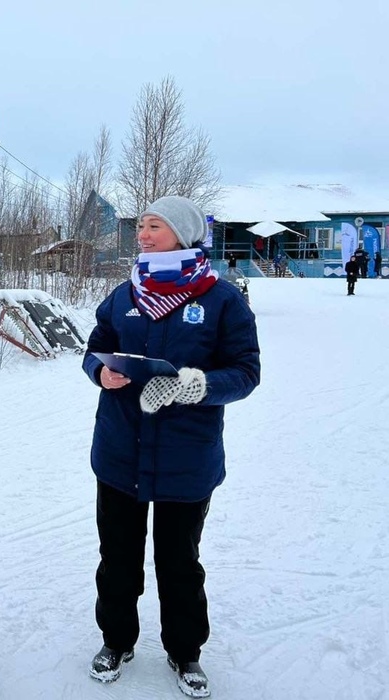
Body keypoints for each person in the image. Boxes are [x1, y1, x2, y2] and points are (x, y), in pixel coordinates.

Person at [82, 196, 260, 698]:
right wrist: (102, 371)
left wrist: (194, 385)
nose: (142, 234)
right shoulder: (124, 295)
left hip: (187, 456)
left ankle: (185, 653)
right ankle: (116, 641)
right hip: (120, 451)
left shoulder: (221, 299)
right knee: (117, 555)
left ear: (181, 234)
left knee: (180, 560)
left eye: (153, 226)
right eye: (140, 226)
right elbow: (93, 348)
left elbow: (246, 372)